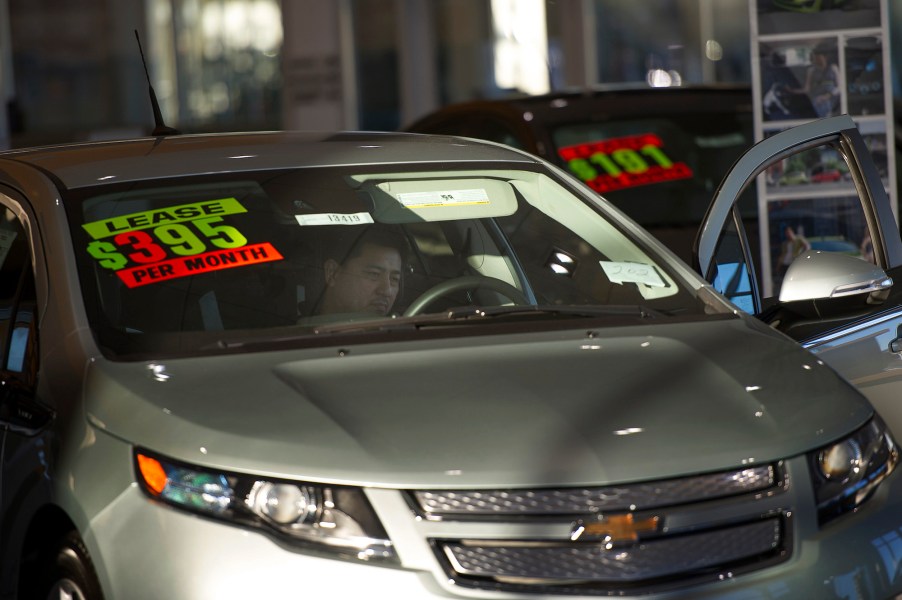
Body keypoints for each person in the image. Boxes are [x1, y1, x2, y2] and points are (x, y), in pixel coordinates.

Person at [316, 224, 409, 316]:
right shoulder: (302, 329)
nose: (387, 291)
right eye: (374, 274)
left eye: (394, 279)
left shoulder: (404, 328)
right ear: (332, 273)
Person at [788, 42, 840, 118]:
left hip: (831, 98)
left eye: (819, 56)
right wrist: (792, 91)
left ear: (825, 57)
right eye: (815, 56)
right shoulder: (811, 70)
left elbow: (840, 87)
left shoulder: (833, 68)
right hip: (817, 99)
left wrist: (828, 95)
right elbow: (807, 89)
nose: (816, 58)